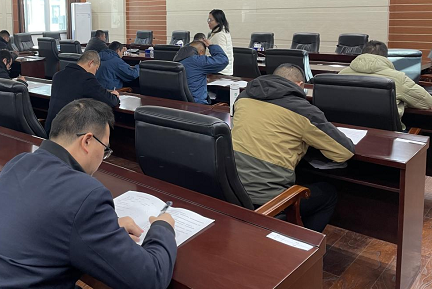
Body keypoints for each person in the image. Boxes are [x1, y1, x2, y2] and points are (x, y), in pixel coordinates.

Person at [0, 99, 177, 289]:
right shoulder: (85, 194)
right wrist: (162, 228)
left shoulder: (19, 162)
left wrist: (108, 227)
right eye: (105, 149)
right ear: (87, 141)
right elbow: (151, 278)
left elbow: (46, 222)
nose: (103, 157)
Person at [232, 64, 355, 232]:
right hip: (268, 199)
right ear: (300, 85)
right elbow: (344, 152)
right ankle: (303, 244)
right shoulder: (302, 109)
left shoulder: (243, 97)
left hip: (233, 191)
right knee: (328, 194)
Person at [339, 40, 432, 129]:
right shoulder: (398, 78)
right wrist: (403, 102)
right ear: (386, 57)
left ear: (362, 54)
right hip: (386, 134)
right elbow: (427, 103)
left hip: (345, 130)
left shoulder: (342, 74)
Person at [45, 50, 120, 135]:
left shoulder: (58, 75)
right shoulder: (86, 78)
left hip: (50, 129)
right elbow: (110, 101)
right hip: (68, 134)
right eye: (96, 69)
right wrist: (114, 95)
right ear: (91, 63)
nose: (95, 73)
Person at [173, 39, 228, 104]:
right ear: (201, 52)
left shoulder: (177, 60)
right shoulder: (197, 60)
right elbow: (223, 60)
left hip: (179, 103)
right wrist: (211, 45)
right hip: (198, 105)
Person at [207, 9, 234, 76]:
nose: (208, 22)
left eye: (211, 20)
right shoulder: (221, 32)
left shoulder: (219, 35)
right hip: (223, 71)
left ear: (218, 21)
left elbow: (220, 57)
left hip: (221, 72)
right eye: (208, 19)